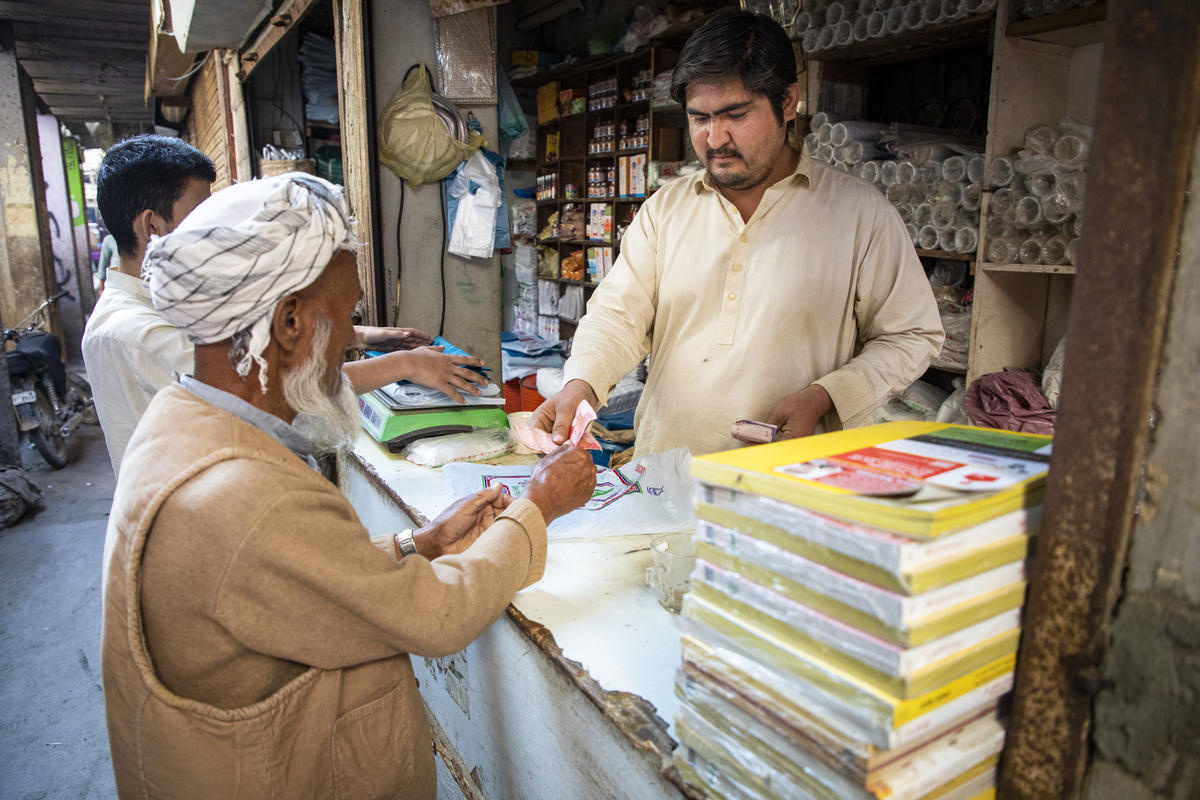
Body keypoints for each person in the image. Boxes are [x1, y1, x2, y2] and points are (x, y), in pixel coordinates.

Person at [101, 173, 597, 798]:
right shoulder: (245, 493)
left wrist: (419, 544)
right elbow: (438, 617)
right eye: (347, 315)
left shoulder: (179, 419)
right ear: (288, 323)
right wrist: (539, 505)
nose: (349, 342)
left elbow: (289, 584)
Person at [532, 11, 944, 458]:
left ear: (788, 102)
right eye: (699, 118)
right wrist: (582, 383)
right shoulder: (665, 210)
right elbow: (617, 315)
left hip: (792, 480)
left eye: (735, 114)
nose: (714, 138)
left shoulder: (860, 214)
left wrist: (826, 396)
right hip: (668, 474)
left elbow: (911, 335)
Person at [83, 135, 486, 480]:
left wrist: (358, 335)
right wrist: (407, 365)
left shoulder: (151, 307)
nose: (214, 228)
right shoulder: (136, 331)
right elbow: (269, 380)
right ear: (152, 226)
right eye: (198, 212)